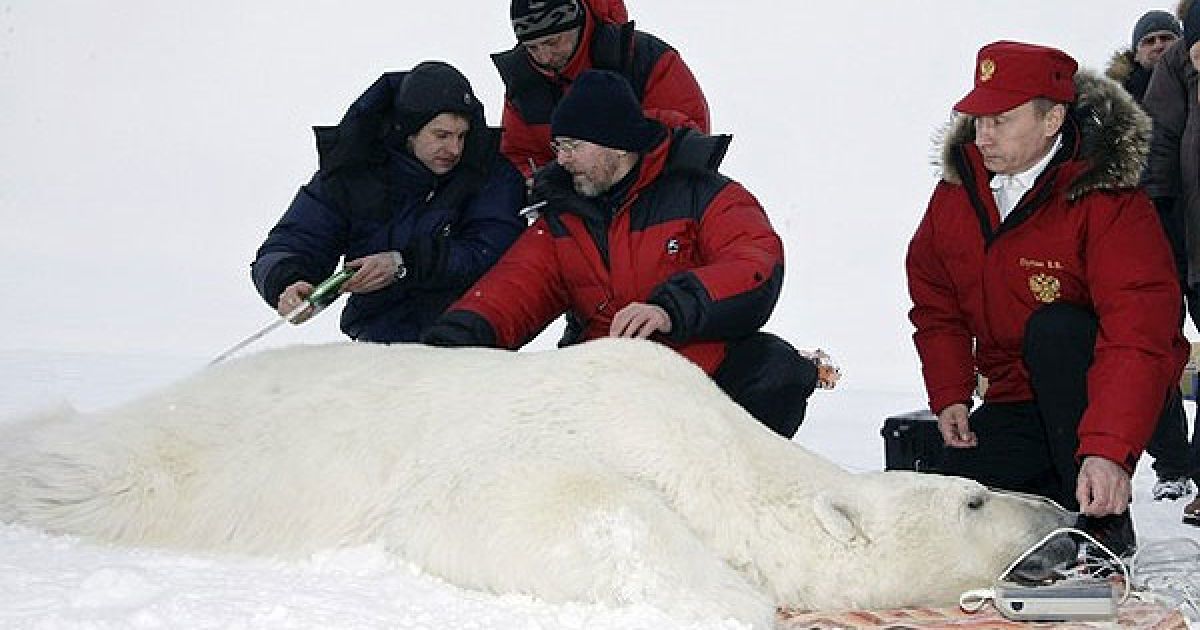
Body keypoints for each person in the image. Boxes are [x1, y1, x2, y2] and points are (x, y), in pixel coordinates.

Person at [422, 70, 819, 439]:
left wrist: (669, 308)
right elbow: (511, 290)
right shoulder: (563, 217)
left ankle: (733, 498)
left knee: (777, 369)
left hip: (701, 377)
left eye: (573, 146)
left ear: (616, 144)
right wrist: (446, 346)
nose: (561, 159)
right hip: (607, 388)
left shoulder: (704, 193)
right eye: (559, 146)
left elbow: (755, 261)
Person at [906, 41, 1190, 553]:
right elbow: (935, 299)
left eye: (1001, 120)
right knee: (947, 515)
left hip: (1096, 400)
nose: (983, 136)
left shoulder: (1107, 199)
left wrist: (1108, 450)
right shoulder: (958, 191)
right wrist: (949, 390)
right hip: (1014, 399)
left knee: (1056, 328)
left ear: (1052, 118)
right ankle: (1053, 499)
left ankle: (1103, 523)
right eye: (978, 120)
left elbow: (1139, 333)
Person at [251, 61, 526, 343]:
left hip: (469, 338)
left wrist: (404, 264)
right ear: (409, 131)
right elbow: (296, 239)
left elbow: (493, 250)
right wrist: (287, 281)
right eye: (441, 135)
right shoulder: (352, 170)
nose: (455, 149)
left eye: (462, 136)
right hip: (379, 343)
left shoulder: (491, 175)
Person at [1107, 10, 1195, 505]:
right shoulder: (1113, 107)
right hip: (1145, 241)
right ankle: (1172, 463)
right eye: (1150, 40)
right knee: (1156, 349)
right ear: (1136, 49)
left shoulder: (1191, 88)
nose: (1159, 46)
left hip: (1192, 232)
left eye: (1168, 37)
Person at [492, 0, 710, 179]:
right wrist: (544, 184)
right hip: (572, 215)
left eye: (553, 42)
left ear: (576, 25)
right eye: (532, 48)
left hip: (653, 203)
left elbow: (690, 140)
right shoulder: (524, 83)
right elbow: (518, 157)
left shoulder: (644, 58)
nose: (544, 57)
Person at [1144, 0, 1200, 526]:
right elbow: (1159, 149)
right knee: (1158, 353)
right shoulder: (1174, 73)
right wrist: (1152, 225)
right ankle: (1174, 463)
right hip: (1178, 239)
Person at [1106, 10, 1181, 103]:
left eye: (1165, 38)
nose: (1158, 46)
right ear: (1136, 55)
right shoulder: (1113, 101)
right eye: (1149, 41)